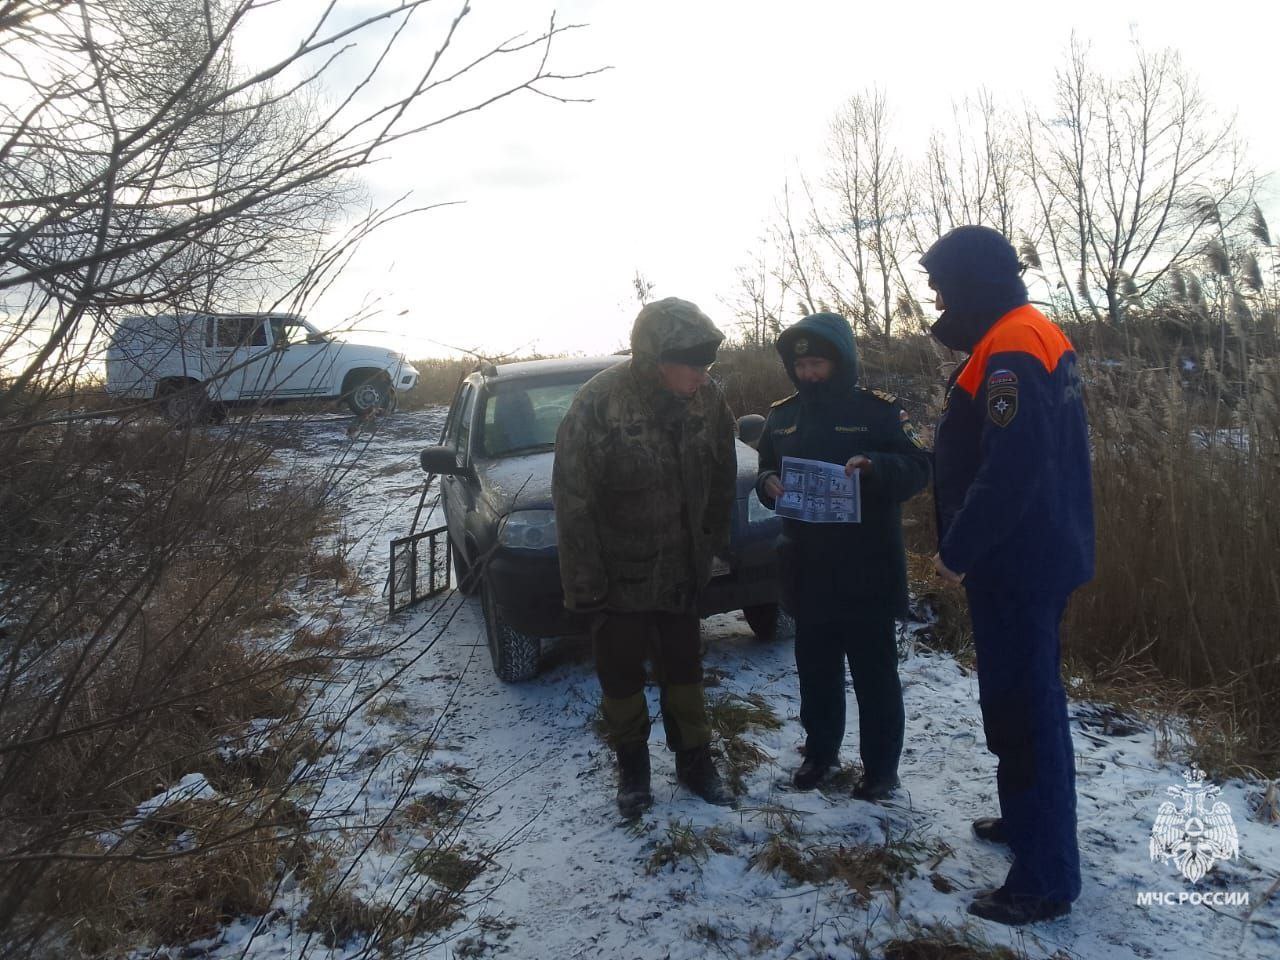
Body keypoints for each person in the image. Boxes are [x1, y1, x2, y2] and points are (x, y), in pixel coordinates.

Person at [921, 225, 1094, 926]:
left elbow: (1012, 466)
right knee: (1017, 703)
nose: (935, 302)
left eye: (941, 288)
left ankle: (1045, 879)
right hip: (1036, 554)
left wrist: (957, 550)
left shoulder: (1014, 349)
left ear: (971, 283)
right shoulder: (1022, 333)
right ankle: (1027, 826)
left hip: (1019, 561)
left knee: (1026, 712)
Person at [552, 297, 737, 819]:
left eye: (708, 365)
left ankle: (695, 760)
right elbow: (573, 498)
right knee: (621, 675)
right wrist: (584, 585)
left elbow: (722, 475)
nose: (703, 375)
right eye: (694, 365)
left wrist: (711, 545)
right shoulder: (601, 403)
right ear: (657, 359)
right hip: (619, 575)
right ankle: (632, 767)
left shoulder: (709, 402)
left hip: (681, 572)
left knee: (685, 669)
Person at [754, 312, 930, 800]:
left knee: (875, 675)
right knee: (816, 672)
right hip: (806, 568)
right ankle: (820, 753)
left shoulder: (879, 411)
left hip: (867, 568)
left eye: (817, 363)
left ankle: (880, 769)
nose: (808, 373)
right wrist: (766, 483)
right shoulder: (782, 415)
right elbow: (766, 468)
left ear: (841, 361)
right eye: (801, 365)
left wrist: (876, 467)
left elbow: (920, 467)